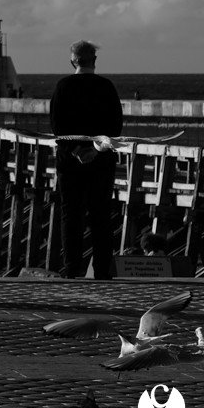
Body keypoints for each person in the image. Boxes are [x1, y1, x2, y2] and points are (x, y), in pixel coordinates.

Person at [50, 39, 122, 280]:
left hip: (70, 162)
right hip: (101, 161)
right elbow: (115, 127)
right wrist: (94, 150)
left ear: (72, 61)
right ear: (95, 60)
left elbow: (57, 127)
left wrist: (75, 150)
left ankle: (71, 269)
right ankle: (102, 271)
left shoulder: (63, 86)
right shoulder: (106, 87)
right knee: (100, 214)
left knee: (71, 215)